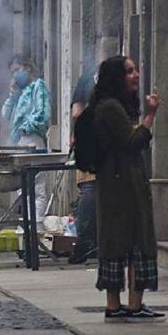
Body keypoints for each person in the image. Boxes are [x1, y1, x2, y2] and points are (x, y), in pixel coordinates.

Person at [88, 55, 163, 323]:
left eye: (135, 70)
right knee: (131, 240)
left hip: (118, 182)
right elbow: (133, 141)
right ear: (116, 77)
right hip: (122, 186)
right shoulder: (110, 107)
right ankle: (128, 304)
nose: (136, 75)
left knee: (122, 241)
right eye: (129, 71)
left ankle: (123, 304)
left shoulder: (111, 106)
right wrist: (150, 117)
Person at [2, 54, 51, 221]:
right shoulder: (19, 93)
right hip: (18, 144)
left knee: (37, 188)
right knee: (22, 189)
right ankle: (26, 227)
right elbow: (5, 114)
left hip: (33, 140)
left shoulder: (38, 86)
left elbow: (43, 114)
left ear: (27, 68)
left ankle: (36, 227)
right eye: (12, 72)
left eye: (17, 70)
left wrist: (25, 128)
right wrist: (12, 95)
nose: (15, 75)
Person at [68, 65, 99, 264]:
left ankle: (86, 243)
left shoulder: (88, 77)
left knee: (89, 189)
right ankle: (91, 242)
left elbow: (76, 112)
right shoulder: (91, 77)